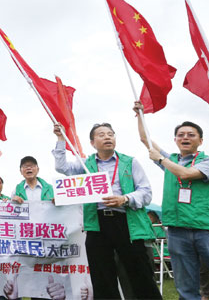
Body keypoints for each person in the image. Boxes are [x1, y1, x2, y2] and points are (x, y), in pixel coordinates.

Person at [134, 101, 209, 299]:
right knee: (186, 288)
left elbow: (186, 174)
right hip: (177, 231)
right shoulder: (171, 160)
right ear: (175, 140)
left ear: (200, 141)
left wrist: (161, 160)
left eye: (191, 135)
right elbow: (144, 139)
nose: (185, 137)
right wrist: (140, 115)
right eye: (181, 135)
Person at [52, 122, 161, 299]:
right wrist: (60, 139)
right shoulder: (85, 165)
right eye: (101, 134)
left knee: (139, 271)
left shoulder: (129, 162)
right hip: (97, 224)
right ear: (92, 143)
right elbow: (62, 167)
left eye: (111, 134)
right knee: (102, 275)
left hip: (127, 222)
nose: (107, 137)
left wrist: (124, 199)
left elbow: (146, 192)